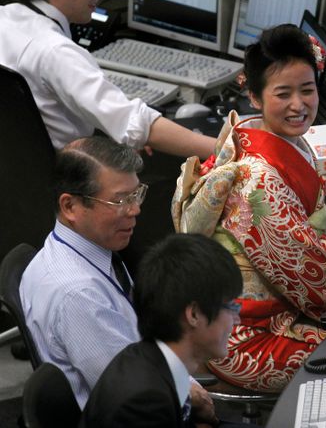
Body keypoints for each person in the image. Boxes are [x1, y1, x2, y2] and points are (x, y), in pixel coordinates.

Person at [173, 24, 326, 392]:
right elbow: (312, 275)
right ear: (254, 96)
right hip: (238, 336)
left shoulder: (250, 134)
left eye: (308, 90)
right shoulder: (258, 180)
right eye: (283, 94)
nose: (299, 105)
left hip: (260, 308)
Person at [19, 137, 215, 422]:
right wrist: (194, 397)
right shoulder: (79, 295)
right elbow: (136, 393)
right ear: (70, 206)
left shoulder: (80, 249)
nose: (135, 210)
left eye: (136, 195)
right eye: (120, 200)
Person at [0, 0, 215, 158]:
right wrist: (229, 151)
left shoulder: (4, 19)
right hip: (69, 182)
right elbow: (136, 125)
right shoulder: (56, 52)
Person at [80, 233, 243, 428]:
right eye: (231, 307)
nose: (237, 319)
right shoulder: (144, 402)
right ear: (194, 315)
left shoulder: (150, 357)